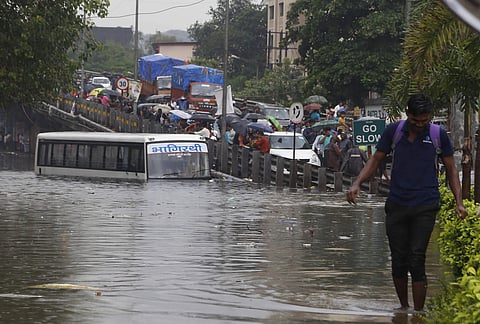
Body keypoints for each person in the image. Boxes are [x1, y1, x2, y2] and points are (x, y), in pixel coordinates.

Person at [346, 93, 467, 313]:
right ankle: (403, 309)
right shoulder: (394, 132)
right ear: (408, 114)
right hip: (397, 203)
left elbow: (451, 170)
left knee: (417, 257)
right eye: (415, 120)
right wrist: (357, 183)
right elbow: (375, 159)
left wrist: (459, 202)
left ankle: (418, 313)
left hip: (425, 204)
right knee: (398, 258)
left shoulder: (438, 134)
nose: (420, 125)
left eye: (424, 121)